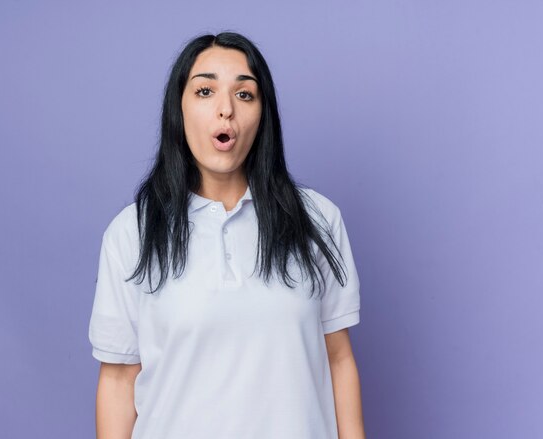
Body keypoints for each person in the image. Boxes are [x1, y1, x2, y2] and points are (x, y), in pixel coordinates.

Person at [88, 31, 365, 439]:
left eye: (244, 95)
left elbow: (338, 359)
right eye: (204, 91)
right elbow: (117, 379)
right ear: (178, 110)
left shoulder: (317, 220)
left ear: (262, 113)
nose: (225, 110)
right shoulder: (132, 233)